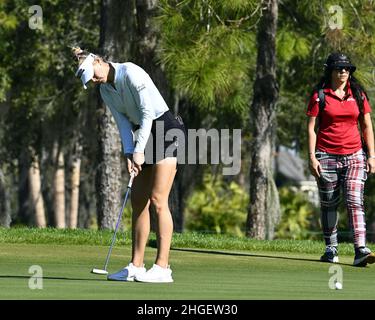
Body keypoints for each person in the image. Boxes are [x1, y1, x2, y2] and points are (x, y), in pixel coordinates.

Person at [72, 47, 186, 282]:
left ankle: (163, 268)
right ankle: (136, 265)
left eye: (93, 74)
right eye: (90, 80)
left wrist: (139, 150)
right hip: (143, 136)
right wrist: (128, 152)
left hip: (167, 131)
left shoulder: (131, 72)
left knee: (157, 199)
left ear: (99, 61)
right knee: (138, 200)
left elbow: (146, 114)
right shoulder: (106, 91)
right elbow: (123, 123)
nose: (94, 80)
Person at [307, 52, 375, 267]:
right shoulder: (320, 96)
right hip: (326, 155)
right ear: (330, 71)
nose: (344, 71)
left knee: (355, 200)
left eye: (347, 68)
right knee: (329, 203)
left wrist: (372, 155)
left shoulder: (358, 93)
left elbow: (366, 126)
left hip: (355, 155)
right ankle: (331, 248)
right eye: (339, 68)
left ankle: (360, 249)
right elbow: (311, 129)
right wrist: (312, 157)